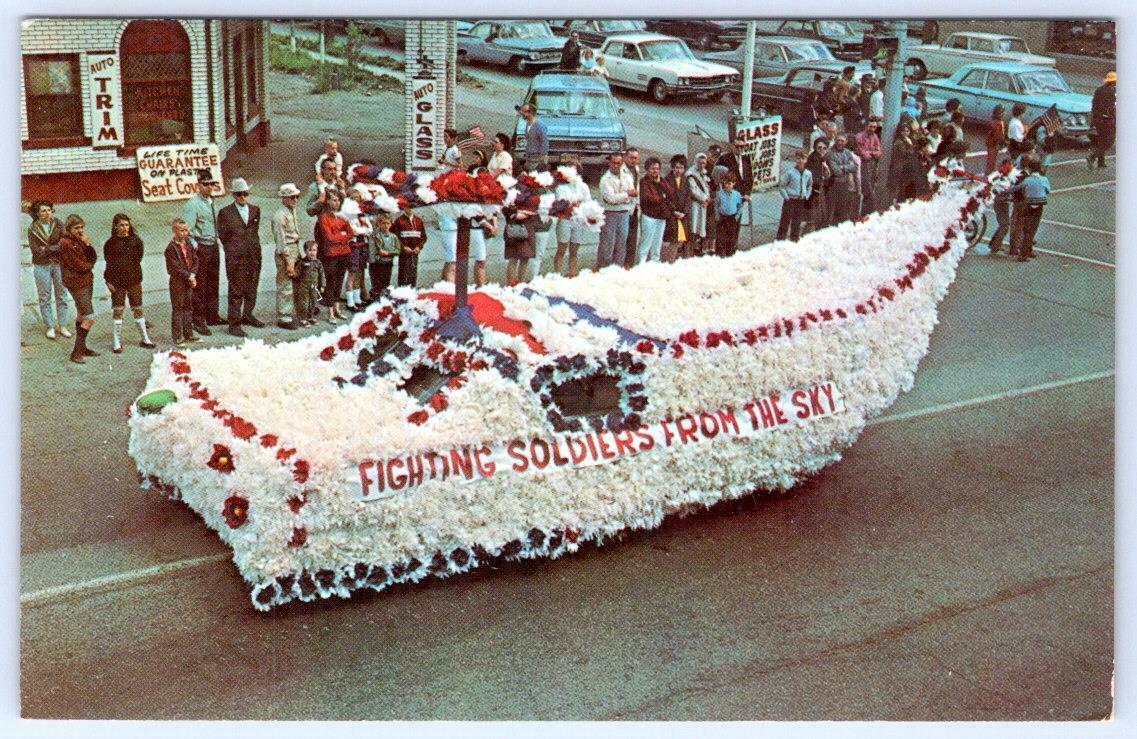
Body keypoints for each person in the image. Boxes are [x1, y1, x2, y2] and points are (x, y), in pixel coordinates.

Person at [216, 177, 264, 337]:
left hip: (253, 254)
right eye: (239, 194)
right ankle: (234, 323)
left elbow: (254, 231)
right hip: (236, 258)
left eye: (245, 194)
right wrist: (232, 251)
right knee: (236, 290)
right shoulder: (225, 213)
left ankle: (248, 315)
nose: (243, 197)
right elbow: (222, 235)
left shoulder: (255, 210)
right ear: (234, 195)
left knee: (252, 287)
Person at [102, 214, 155, 353]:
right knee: (118, 311)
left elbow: (138, 259)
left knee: (138, 309)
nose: (125, 228)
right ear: (115, 226)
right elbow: (109, 263)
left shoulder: (136, 241)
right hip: (117, 282)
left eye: (127, 225)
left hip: (134, 280)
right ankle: (116, 342)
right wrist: (108, 281)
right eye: (122, 225)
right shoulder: (110, 244)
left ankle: (145, 338)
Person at [182, 169, 224, 334]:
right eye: (205, 184)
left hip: (213, 245)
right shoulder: (192, 205)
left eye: (211, 184)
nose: (209, 188)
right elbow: (187, 231)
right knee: (200, 285)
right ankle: (198, 320)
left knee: (213, 282)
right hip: (201, 248)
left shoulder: (211, 202)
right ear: (198, 185)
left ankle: (212, 315)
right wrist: (195, 247)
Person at [26, 200, 72, 341]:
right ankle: (50, 326)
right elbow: (35, 250)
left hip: (59, 264)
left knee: (62, 294)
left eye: (49, 210)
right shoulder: (32, 228)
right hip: (41, 265)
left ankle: (63, 325)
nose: (47, 213)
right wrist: (52, 248)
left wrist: (47, 249)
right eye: (43, 211)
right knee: (45, 296)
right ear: (37, 214)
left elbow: (64, 243)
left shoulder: (58, 224)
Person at [58, 215, 100, 364]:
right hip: (77, 283)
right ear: (69, 228)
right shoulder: (66, 243)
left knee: (81, 314)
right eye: (77, 228)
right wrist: (89, 266)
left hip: (86, 280)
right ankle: (76, 352)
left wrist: (88, 245)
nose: (80, 230)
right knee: (89, 318)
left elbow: (93, 257)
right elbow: (79, 265)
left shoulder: (79, 241)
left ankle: (82, 347)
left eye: (82, 227)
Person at [552, 155, 592, 277]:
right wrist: (574, 204)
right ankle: (557, 275)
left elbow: (588, 202)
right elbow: (562, 205)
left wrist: (576, 205)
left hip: (578, 220)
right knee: (562, 248)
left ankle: (572, 274)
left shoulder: (583, 186)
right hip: (565, 220)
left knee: (574, 250)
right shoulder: (560, 187)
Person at [596, 152, 636, 270]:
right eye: (614, 163)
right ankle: (603, 269)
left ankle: (617, 270)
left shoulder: (627, 176)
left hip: (624, 213)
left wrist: (622, 196)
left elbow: (633, 194)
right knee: (607, 244)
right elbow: (610, 199)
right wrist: (626, 194)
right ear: (609, 162)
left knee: (621, 243)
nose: (616, 165)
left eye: (619, 163)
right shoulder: (605, 179)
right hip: (609, 213)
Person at [271, 182, 303, 330]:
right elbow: (281, 242)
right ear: (284, 198)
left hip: (295, 247)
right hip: (286, 251)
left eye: (297, 197)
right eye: (292, 197)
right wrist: (288, 262)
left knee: (295, 282)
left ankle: (292, 311)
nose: (295, 200)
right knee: (285, 284)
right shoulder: (279, 215)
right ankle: (284, 316)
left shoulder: (291, 211)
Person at [316, 190, 352, 322]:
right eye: (334, 200)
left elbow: (350, 233)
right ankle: (330, 313)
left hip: (344, 253)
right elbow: (329, 237)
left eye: (338, 200)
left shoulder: (343, 216)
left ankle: (337, 309)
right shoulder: (323, 217)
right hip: (331, 254)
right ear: (328, 201)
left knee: (339, 281)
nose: (337, 203)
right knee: (331, 282)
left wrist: (341, 237)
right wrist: (342, 236)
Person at [1007, 159, 1051, 262]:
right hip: (1039, 205)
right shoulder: (1044, 179)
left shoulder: (1027, 180)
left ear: (1030, 169)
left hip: (1028, 204)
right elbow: (1048, 190)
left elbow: (1016, 188)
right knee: (1033, 229)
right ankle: (1025, 252)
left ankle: (1025, 251)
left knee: (1026, 228)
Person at [164, 218, 199, 348]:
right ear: (174, 231)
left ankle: (188, 333)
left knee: (188, 307)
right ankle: (178, 336)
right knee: (178, 308)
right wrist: (189, 276)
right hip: (178, 281)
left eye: (186, 230)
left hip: (189, 279)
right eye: (181, 230)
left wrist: (193, 274)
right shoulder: (171, 248)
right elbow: (174, 267)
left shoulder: (189, 243)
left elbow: (195, 260)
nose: (185, 233)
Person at [339, 183, 373, 311]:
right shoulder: (346, 215)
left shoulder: (361, 214)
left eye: (358, 200)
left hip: (362, 245)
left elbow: (369, 229)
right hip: (353, 246)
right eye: (352, 200)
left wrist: (363, 230)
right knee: (352, 273)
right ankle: (350, 301)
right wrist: (362, 230)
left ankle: (357, 298)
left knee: (360, 272)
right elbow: (353, 231)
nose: (356, 202)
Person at [636, 157, 670, 264]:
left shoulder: (662, 180)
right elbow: (648, 198)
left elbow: (670, 192)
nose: (655, 171)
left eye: (657, 169)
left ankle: (655, 260)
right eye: (652, 168)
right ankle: (642, 261)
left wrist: (660, 184)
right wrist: (662, 197)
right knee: (646, 240)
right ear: (647, 169)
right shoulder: (644, 182)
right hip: (649, 216)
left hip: (661, 216)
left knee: (658, 241)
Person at [777, 150, 813, 242]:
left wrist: (806, 196)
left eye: (803, 158)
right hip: (790, 200)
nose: (800, 161)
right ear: (795, 159)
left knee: (797, 221)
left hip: (800, 200)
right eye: (798, 158)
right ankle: (780, 240)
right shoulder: (790, 172)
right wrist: (786, 197)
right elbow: (782, 186)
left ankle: (794, 239)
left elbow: (809, 186)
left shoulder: (808, 173)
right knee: (785, 221)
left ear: (806, 160)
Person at [824, 133, 860, 225]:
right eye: (838, 140)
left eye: (842, 141)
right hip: (833, 184)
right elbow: (837, 172)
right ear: (835, 141)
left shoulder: (847, 152)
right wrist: (847, 167)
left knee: (842, 209)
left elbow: (855, 167)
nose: (840, 143)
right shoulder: (830, 153)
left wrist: (843, 167)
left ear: (846, 142)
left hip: (844, 184)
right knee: (830, 209)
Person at [986, 156, 1016, 256]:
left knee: (1003, 224)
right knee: (1005, 225)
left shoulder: (1009, 175)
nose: (1010, 169)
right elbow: (990, 184)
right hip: (1000, 202)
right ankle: (995, 246)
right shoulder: (997, 176)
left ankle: (993, 243)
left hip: (1004, 202)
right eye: (1009, 166)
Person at [662, 154, 690, 260]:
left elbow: (688, 197)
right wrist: (674, 211)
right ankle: (669, 260)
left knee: (681, 240)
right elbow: (665, 199)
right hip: (671, 215)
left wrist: (684, 212)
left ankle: (675, 259)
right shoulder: (666, 180)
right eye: (677, 167)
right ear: (672, 167)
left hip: (682, 215)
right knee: (671, 240)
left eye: (681, 168)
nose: (679, 170)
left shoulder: (685, 180)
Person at [367, 212, 400, 300]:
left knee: (385, 282)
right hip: (376, 262)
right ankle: (376, 298)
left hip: (388, 262)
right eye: (383, 223)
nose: (385, 225)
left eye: (387, 223)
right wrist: (372, 262)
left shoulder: (393, 236)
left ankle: (384, 299)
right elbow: (373, 249)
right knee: (376, 283)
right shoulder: (374, 233)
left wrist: (389, 253)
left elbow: (397, 250)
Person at [853, 121, 883, 215]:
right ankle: (869, 210)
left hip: (872, 164)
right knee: (866, 187)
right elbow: (863, 153)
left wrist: (870, 152)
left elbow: (879, 152)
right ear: (866, 126)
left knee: (872, 185)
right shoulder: (859, 136)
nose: (872, 129)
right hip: (862, 164)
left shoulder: (875, 136)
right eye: (870, 126)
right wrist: (872, 152)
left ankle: (868, 211)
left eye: (874, 127)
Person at [502, 205, 537, 285]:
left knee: (525, 258)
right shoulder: (510, 199)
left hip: (527, 231)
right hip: (513, 230)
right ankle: (511, 284)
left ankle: (521, 284)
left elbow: (535, 211)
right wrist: (524, 212)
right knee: (513, 258)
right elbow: (510, 213)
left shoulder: (529, 199)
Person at [295, 240, 326, 326]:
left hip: (314, 286)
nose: (312, 252)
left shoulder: (318, 263)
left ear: (317, 251)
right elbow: (297, 273)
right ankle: (303, 318)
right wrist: (293, 274)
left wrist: (323, 285)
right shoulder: (302, 262)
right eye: (309, 250)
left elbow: (322, 274)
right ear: (305, 251)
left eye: (314, 250)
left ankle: (311, 317)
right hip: (304, 286)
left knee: (313, 302)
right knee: (304, 302)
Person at [392, 208, 427, 287]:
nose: (410, 209)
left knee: (413, 273)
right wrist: (403, 247)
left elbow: (423, 237)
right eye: (408, 207)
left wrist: (418, 247)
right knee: (404, 273)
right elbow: (395, 237)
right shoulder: (399, 221)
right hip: (404, 253)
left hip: (415, 252)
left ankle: (412, 291)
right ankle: (402, 292)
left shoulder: (419, 221)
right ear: (404, 208)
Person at [714, 174, 746, 257]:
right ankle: (720, 254)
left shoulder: (737, 194)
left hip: (732, 218)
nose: (727, 185)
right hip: (722, 218)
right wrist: (717, 216)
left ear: (733, 183)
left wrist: (737, 217)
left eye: (729, 183)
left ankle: (730, 253)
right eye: (726, 183)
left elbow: (740, 206)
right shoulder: (719, 194)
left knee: (731, 236)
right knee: (721, 237)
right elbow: (716, 206)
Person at [803, 138, 831, 233]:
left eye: (824, 148)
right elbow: (811, 175)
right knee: (813, 216)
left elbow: (826, 175)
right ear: (815, 147)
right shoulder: (813, 159)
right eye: (819, 147)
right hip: (814, 190)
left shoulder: (821, 158)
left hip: (819, 188)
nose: (822, 150)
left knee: (817, 215)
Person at [685, 152, 711, 256]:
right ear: (695, 162)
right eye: (699, 163)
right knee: (694, 225)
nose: (702, 165)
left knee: (701, 225)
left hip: (704, 204)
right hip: (695, 203)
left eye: (704, 163)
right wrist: (703, 200)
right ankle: (691, 249)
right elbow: (693, 191)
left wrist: (708, 199)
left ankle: (699, 247)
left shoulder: (704, 172)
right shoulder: (690, 173)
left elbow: (706, 186)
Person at [1089, 71, 1116, 169]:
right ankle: (1093, 156)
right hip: (1107, 119)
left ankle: (1101, 163)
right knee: (1109, 141)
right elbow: (1112, 107)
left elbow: (1094, 104)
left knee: (1101, 140)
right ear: (1114, 82)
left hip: (1097, 119)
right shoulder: (1112, 91)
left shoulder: (1099, 90)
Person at [621, 147, 642, 267]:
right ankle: (621, 263)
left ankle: (629, 263)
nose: (633, 160)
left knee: (632, 238)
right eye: (631, 158)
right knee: (622, 238)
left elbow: (637, 187)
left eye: (636, 158)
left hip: (634, 208)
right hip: (624, 207)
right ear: (625, 157)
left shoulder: (636, 169)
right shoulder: (621, 170)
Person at [519, 104, 548, 170]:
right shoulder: (527, 124)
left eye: (524, 111)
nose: (522, 113)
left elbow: (545, 143)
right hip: (529, 158)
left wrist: (542, 161)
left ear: (530, 112)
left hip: (537, 159)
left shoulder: (540, 126)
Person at [986, 105, 1007, 174]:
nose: (1004, 113)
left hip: (991, 143)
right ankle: (987, 176)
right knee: (991, 162)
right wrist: (1000, 143)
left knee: (991, 161)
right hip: (993, 144)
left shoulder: (995, 121)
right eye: (1003, 112)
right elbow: (997, 135)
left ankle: (988, 174)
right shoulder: (998, 123)